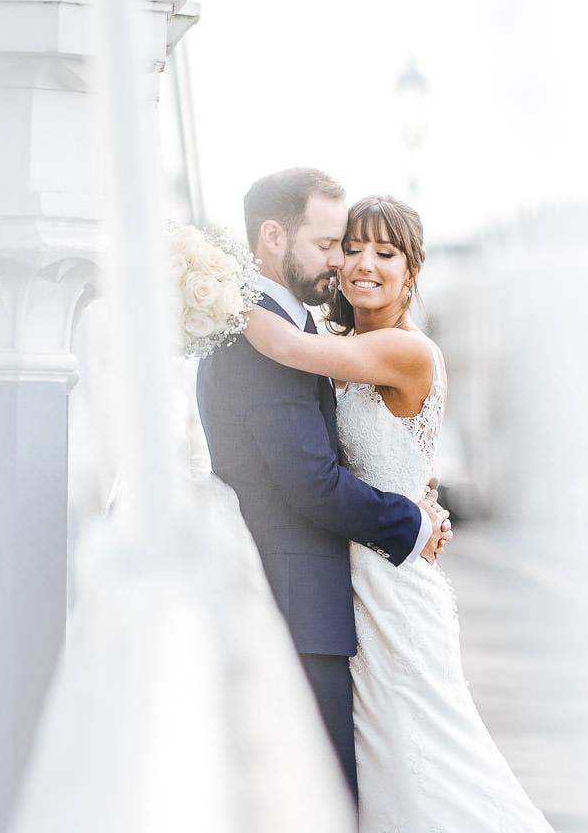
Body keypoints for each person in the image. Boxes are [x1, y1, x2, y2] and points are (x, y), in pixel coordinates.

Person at [241, 194, 555, 832]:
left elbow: (283, 346)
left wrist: (218, 284)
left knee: (431, 761)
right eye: (350, 247)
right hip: (355, 577)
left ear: (411, 271)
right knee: (384, 766)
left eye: (384, 253)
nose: (362, 263)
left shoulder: (407, 351)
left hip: (394, 586)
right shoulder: (346, 339)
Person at [196, 168, 452, 804]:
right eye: (337, 244)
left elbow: (297, 360)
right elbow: (313, 480)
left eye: (377, 252)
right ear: (275, 237)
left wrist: (220, 297)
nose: (349, 263)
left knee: (408, 764)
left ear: (411, 270)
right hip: (321, 593)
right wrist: (412, 520)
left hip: (381, 590)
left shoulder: (364, 344)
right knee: (342, 788)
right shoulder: (285, 332)